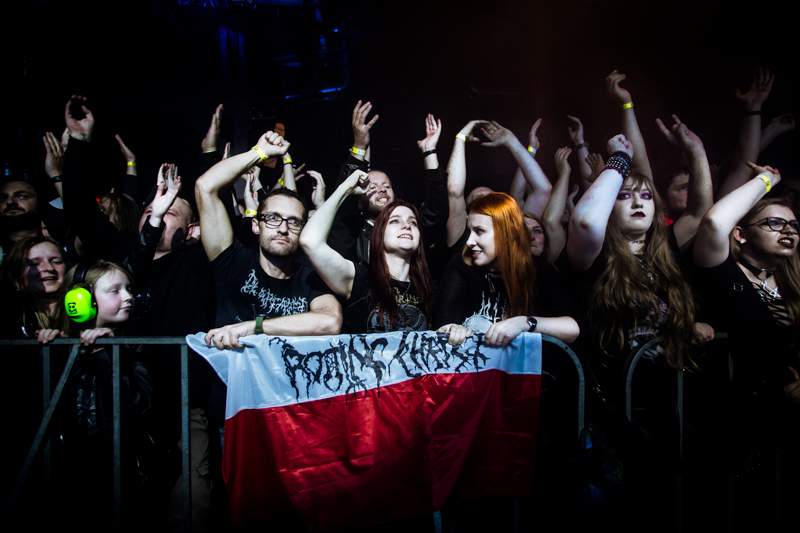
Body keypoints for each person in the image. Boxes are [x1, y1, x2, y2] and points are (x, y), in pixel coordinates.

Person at [692, 163, 799, 530]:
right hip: (731, 415)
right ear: (740, 235)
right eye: (774, 223)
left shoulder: (793, 284)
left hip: (785, 417)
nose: (788, 231)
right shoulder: (722, 270)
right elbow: (713, 223)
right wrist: (768, 179)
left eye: (794, 225)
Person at [194, 129, 342, 349]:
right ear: (256, 225)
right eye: (273, 218)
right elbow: (205, 187)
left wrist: (255, 327)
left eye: (293, 222)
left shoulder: (311, 279)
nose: (282, 228)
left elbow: (331, 322)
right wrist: (259, 152)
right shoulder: (233, 264)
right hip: (235, 383)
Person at [433, 192, 579, 347]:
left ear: (507, 234)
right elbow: (443, 324)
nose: (469, 241)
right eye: (470, 231)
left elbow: (574, 329)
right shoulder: (461, 266)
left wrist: (524, 323)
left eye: (479, 231)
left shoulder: (538, 269)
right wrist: (453, 329)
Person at [300, 169, 435, 333]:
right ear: (379, 234)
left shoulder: (427, 288)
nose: (406, 225)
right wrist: (346, 187)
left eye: (412, 223)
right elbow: (310, 241)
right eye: (395, 221)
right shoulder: (360, 279)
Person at [328, 103, 448, 265]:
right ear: (359, 203)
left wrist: (429, 152)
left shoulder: (410, 231)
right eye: (372, 187)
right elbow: (340, 205)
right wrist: (359, 146)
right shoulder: (352, 236)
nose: (382, 190)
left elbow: (436, 212)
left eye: (387, 186)